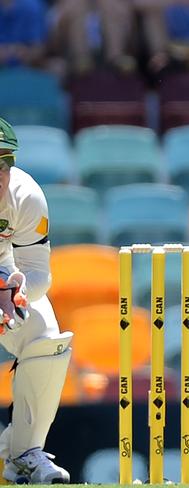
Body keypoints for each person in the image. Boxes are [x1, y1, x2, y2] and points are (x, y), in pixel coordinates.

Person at [0, 117, 73, 484]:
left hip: (1, 277)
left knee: (47, 336)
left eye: (2, 162)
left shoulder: (25, 195)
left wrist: (19, 288)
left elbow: (39, 274)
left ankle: (22, 455)